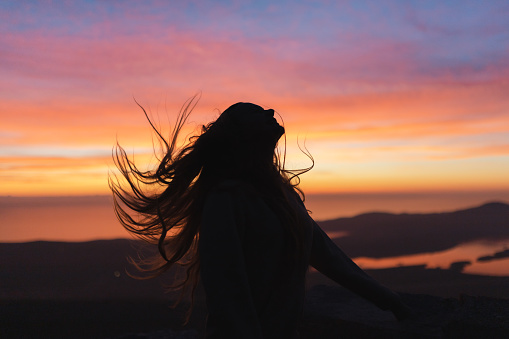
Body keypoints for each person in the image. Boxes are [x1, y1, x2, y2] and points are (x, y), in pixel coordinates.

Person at [110, 97, 411, 339]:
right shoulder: (226, 201)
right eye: (254, 112)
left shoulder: (282, 196)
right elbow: (228, 294)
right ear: (242, 136)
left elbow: (329, 256)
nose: (269, 110)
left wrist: (387, 299)